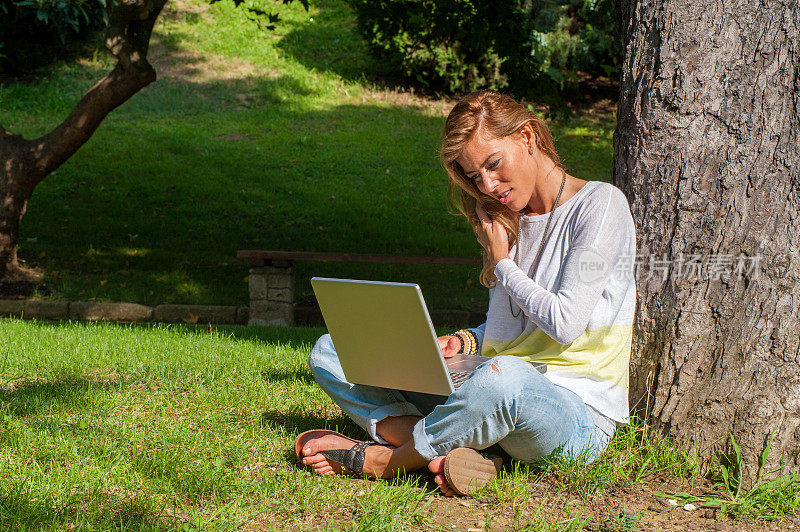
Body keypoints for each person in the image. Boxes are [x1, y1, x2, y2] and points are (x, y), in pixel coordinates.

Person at [296, 90, 636, 496]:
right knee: (332, 350)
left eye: (493, 165)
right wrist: (465, 340)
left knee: (503, 378)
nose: (489, 186)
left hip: (572, 413)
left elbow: (564, 323)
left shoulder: (601, 206)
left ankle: (389, 460)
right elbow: (525, 325)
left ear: (527, 136)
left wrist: (502, 262)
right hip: (489, 386)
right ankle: (467, 452)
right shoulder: (508, 220)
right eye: (475, 177)